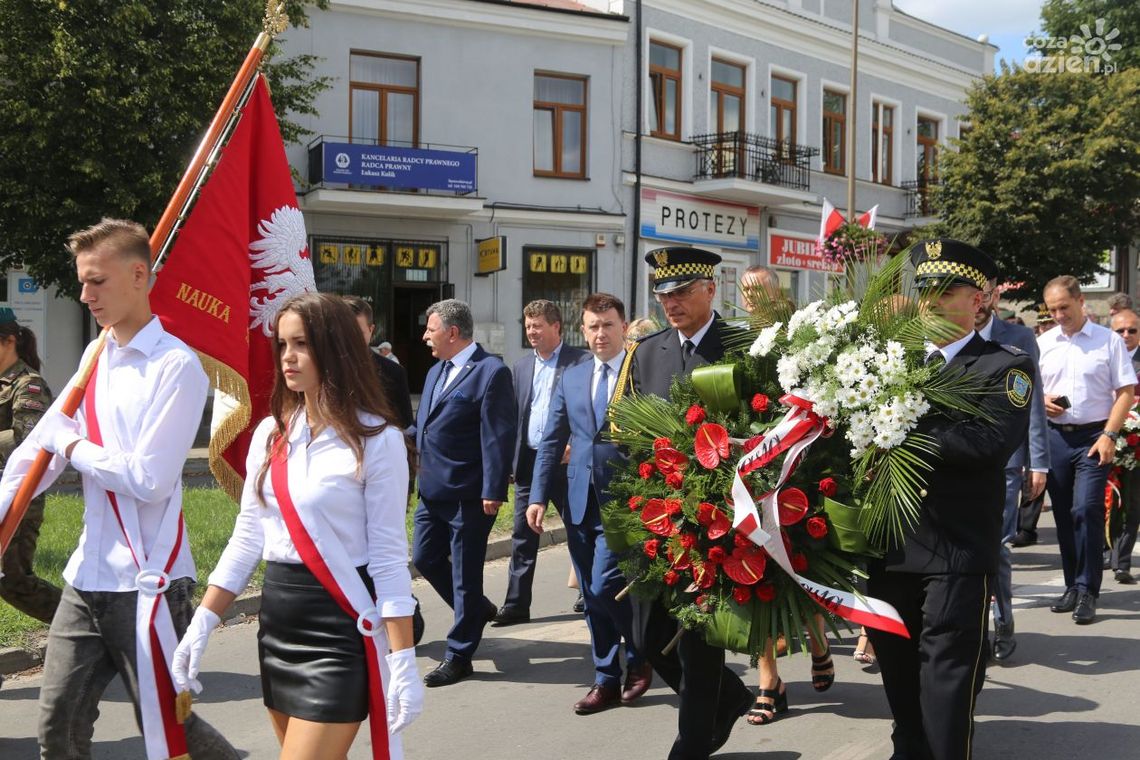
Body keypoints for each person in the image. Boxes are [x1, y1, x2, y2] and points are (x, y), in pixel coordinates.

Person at [0, 219, 236, 758]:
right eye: (82, 283)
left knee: (173, 731)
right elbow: (38, 454)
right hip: (88, 577)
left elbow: (149, 480)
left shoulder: (177, 366)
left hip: (149, 581)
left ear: (137, 276)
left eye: (96, 282)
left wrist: (73, 447)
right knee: (57, 727)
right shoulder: (95, 356)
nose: (85, 296)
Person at [171, 293, 421, 758]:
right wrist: (202, 622)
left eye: (302, 343)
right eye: (282, 344)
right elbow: (247, 536)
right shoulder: (270, 434)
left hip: (340, 628)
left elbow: (389, 558)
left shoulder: (377, 441)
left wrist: (402, 657)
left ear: (335, 349)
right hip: (279, 622)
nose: (288, 356)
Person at [866, 239, 1033, 760]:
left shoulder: (1005, 366)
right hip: (892, 542)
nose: (933, 300)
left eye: (948, 289)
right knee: (896, 669)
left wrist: (898, 428)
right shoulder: (888, 362)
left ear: (980, 299)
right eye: (926, 289)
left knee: (946, 674)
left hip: (956, 548)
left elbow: (986, 444)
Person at [616, 246, 753, 759]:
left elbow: (763, 425)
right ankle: (732, 696)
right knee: (647, 635)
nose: (670, 302)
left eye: (681, 292)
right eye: (663, 293)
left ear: (710, 289)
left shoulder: (739, 346)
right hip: (660, 518)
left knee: (699, 641)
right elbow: (627, 428)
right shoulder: (647, 352)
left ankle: (690, 744)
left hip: (720, 521)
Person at [526, 292, 653, 714]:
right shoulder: (575, 376)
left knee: (603, 586)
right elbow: (551, 440)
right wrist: (538, 495)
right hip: (579, 499)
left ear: (622, 327)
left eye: (608, 325)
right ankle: (605, 677)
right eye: (593, 326)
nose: (601, 334)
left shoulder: (640, 374)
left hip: (627, 500)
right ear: (583, 330)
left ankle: (638, 657)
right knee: (592, 592)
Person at [737, 266, 835, 726]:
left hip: (798, 468)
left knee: (802, 566)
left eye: (761, 294)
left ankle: (818, 642)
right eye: (746, 294)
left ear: (780, 294)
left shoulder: (803, 337)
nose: (753, 302)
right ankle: (768, 682)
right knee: (752, 575)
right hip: (752, 469)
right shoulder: (738, 342)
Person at [410, 298, 516, 686]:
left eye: (430, 328)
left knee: (464, 576)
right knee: (424, 557)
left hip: (469, 496)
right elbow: (423, 425)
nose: (424, 336)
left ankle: (459, 654)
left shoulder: (490, 372)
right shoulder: (436, 371)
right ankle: (476, 610)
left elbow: (497, 435)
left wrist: (493, 489)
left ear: (453, 333)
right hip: (432, 491)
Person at [1039, 275, 1136, 625]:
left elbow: (1126, 390)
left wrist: (1110, 434)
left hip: (1094, 437)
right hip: (1055, 439)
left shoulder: (1108, 341)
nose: (1059, 315)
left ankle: (1088, 590)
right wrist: (1043, 400)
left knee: (1087, 509)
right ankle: (1071, 585)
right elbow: (1032, 389)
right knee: (1064, 515)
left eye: (1064, 307)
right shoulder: (1044, 341)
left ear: (1081, 301)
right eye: (1052, 310)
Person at [492, 300, 588, 627]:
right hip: (530, 463)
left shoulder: (581, 362)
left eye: (537, 326)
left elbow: (589, 410)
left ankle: (587, 593)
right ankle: (516, 603)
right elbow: (514, 419)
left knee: (578, 529)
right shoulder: (520, 368)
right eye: (528, 325)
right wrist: (508, 464)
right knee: (522, 534)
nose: (531, 331)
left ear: (556, 327)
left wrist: (576, 444)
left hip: (566, 463)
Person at [975, 277, 1049, 662]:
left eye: (985, 294)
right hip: (963, 463)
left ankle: (1002, 621)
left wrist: (1038, 461)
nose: (978, 302)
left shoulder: (1018, 338)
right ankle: (974, 629)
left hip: (1006, 463)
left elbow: (1032, 402)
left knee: (997, 548)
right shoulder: (947, 334)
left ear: (995, 296)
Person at [0, 311, 61, 625]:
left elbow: (28, 438)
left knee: (14, 581)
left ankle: (86, 625)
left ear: (10, 341)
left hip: (18, 496)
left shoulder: (29, 385)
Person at [343, 295, 414, 429]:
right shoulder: (319, 369)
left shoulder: (393, 373)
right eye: (345, 332)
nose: (351, 340)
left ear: (371, 330)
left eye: (358, 333)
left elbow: (404, 426)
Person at [1108, 309, 1140, 585]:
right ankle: (1108, 549)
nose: (1126, 335)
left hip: (1135, 447)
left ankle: (1122, 562)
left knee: (1132, 505)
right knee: (1104, 505)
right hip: (1104, 441)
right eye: (1120, 331)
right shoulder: (1104, 355)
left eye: (1132, 330)